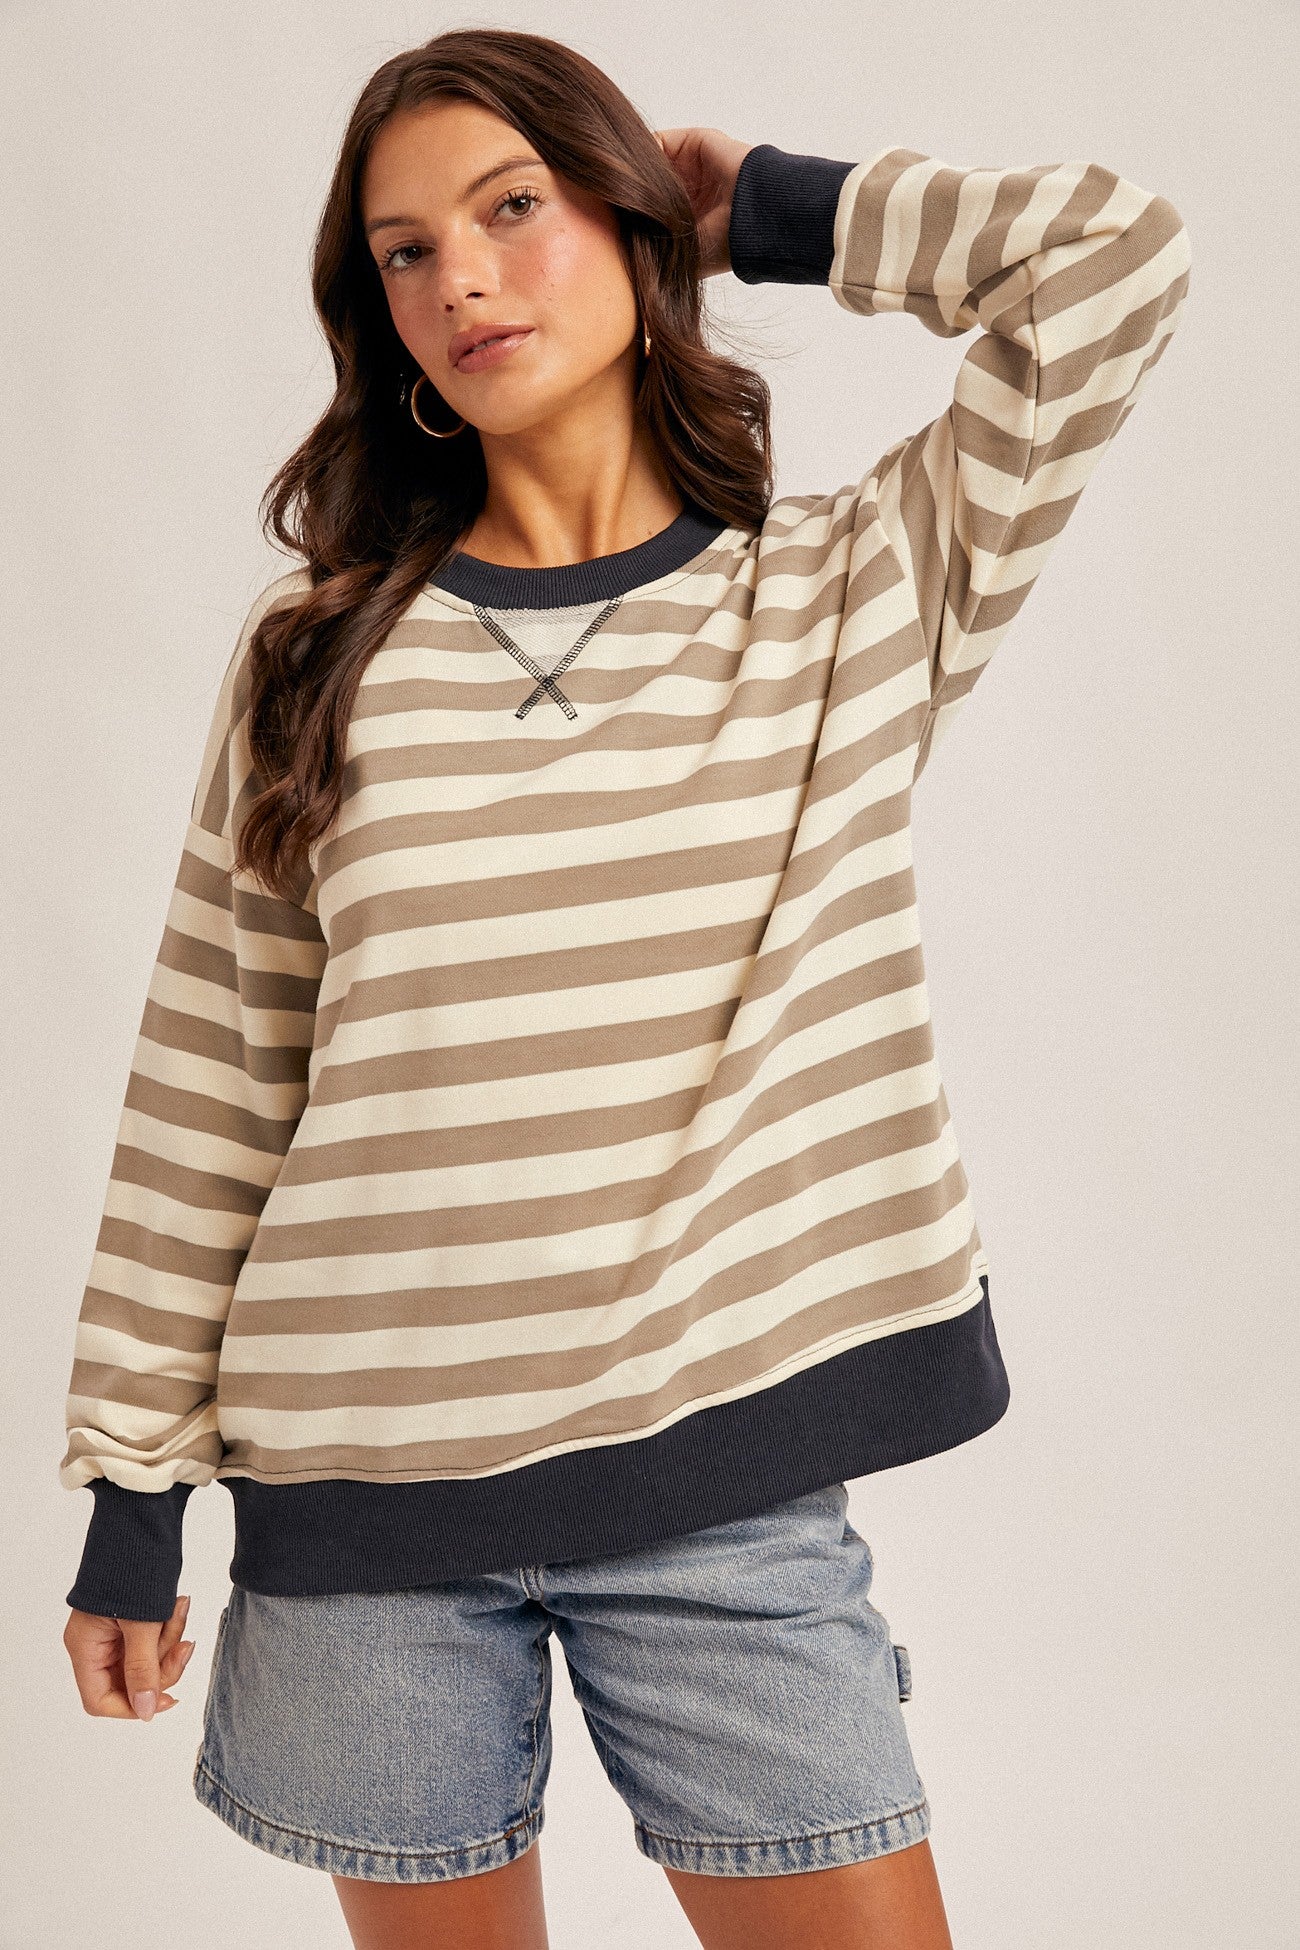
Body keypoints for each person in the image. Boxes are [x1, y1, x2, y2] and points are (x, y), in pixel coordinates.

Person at [58, 25, 1190, 1950]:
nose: (463, 278)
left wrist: (771, 206)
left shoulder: (843, 596)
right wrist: (133, 1490)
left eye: (514, 208)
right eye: (407, 251)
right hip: (364, 1510)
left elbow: (1116, 259)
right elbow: (213, 1084)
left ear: (628, 214)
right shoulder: (318, 654)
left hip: (722, 1490)